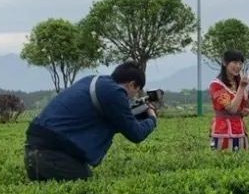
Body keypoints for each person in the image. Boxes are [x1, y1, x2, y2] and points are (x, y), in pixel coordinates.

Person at [24, 61, 157, 181]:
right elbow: (136, 134)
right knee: (84, 183)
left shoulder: (93, 81)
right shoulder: (115, 93)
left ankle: (39, 163)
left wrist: (138, 115)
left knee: (79, 173)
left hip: (36, 147)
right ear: (131, 84)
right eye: (137, 91)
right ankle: (44, 163)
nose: (134, 96)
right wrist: (152, 118)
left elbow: (117, 122)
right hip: (52, 152)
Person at [209, 49, 249, 151]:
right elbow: (231, 109)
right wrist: (242, 87)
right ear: (225, 63)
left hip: (240, 130)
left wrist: (245, 111)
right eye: (235, 62)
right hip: (223, 131)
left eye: (240, 63)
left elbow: (243, 106)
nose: (238, 66)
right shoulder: (216, 85)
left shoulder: (239, 83)